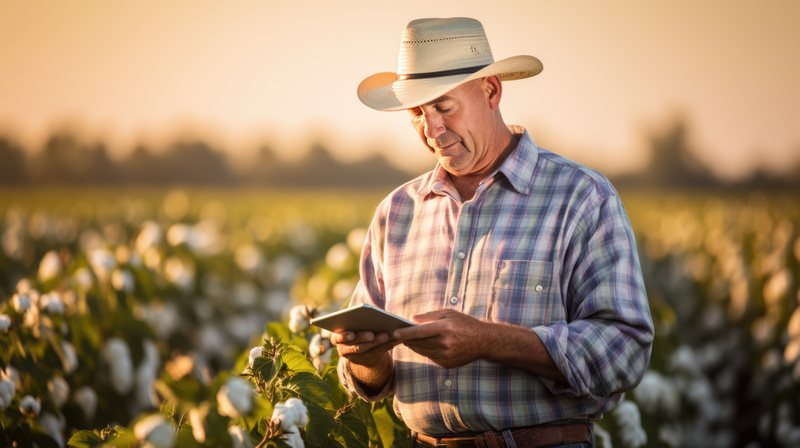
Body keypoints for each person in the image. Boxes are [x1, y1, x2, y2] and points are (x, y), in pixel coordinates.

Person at [330, 17, 654, 448]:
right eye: (416, 114)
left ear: (491, 91)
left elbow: (624, 351)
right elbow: (370, 381)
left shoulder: (580, 197)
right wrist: (366, 360)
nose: (431, 130)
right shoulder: (396, 212)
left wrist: (489, 341)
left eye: (443, 106)